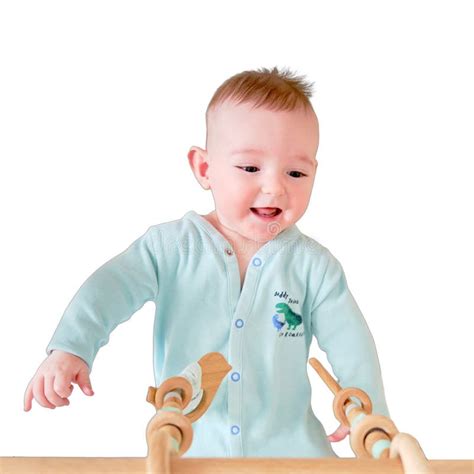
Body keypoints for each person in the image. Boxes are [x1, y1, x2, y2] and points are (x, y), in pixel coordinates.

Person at [23, 66, 389, 457]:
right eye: (250, 167)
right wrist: (71, 347)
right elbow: (111, 287)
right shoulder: (172, 248)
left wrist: (368, 415)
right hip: (191, 451)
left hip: (294, 456)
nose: (275, 186)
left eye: (296, 172)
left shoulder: (313, 266)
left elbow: (351, 342)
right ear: (204, 168)